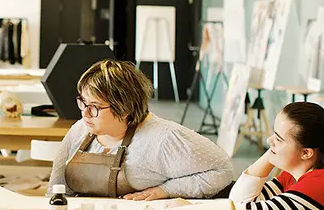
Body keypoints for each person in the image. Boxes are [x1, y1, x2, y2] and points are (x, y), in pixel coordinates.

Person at [47, 59, 233, 199]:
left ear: (124, 108)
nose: (85, 114)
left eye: (95, 106)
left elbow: (222, 171)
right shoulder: (80, 130)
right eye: (83, 102)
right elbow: (56, 190)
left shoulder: (163, 139)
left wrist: (166, 190)